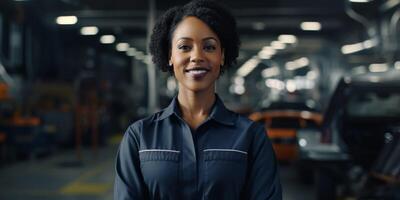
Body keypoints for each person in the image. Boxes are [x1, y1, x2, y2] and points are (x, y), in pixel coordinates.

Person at [114, 0, 282, 199]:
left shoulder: (252, 137)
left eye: (209, 47)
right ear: (170, 56)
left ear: (222, 56)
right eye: (185, 47)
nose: (197, 56)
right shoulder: (139, 137)